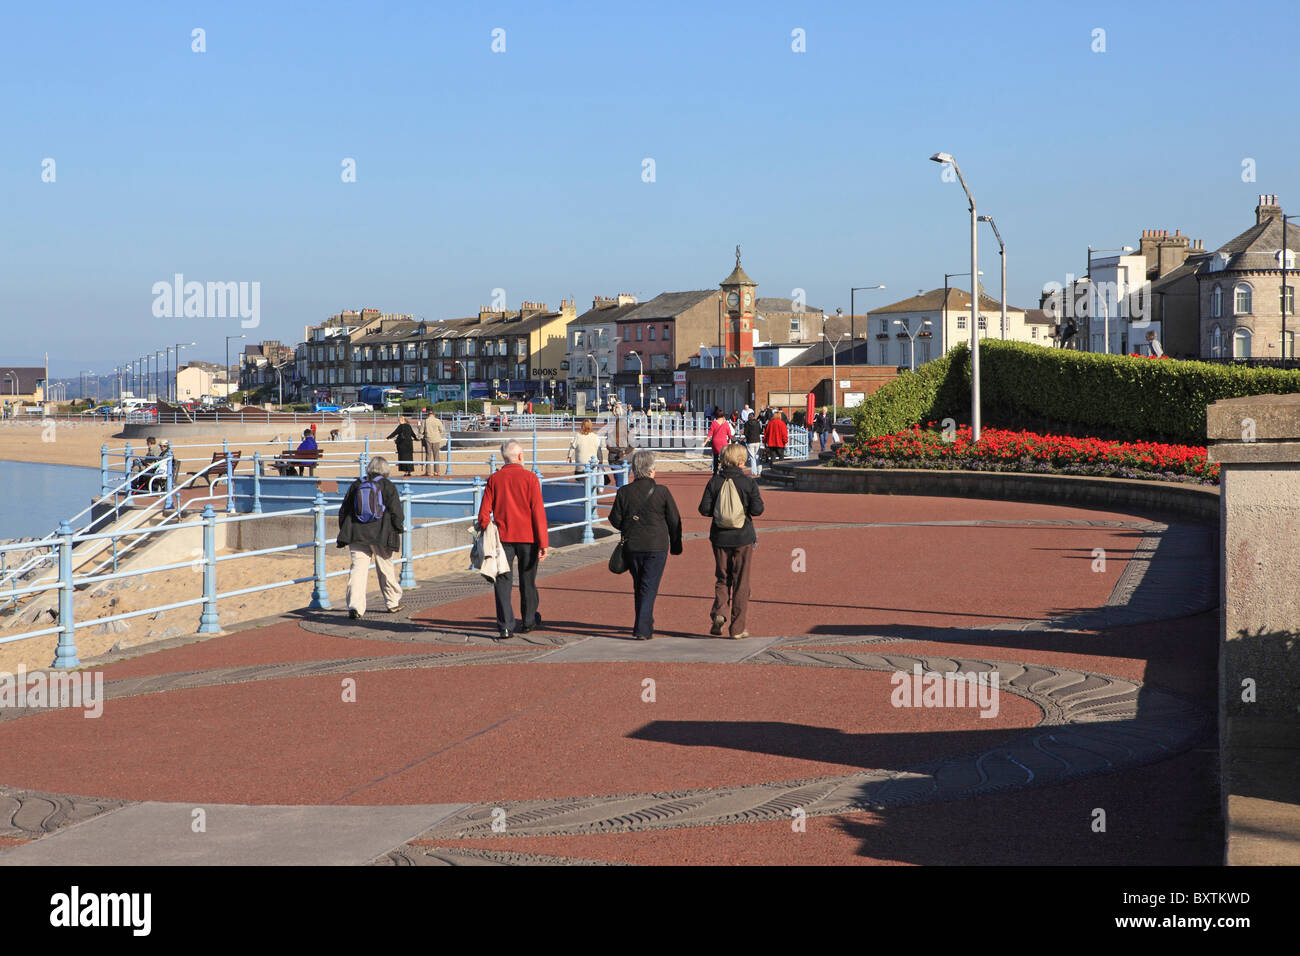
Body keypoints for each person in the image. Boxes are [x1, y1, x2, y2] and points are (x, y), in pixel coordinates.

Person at [477, 439, 549, 639]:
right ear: (519, 456)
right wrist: (543, 542)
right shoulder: (530, 478)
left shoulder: (494, 479)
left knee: (502, 581)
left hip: (502, 538)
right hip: (529, 537)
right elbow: (538, 512)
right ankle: (528, 620)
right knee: (528, 580)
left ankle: (506, 625)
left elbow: (483, 515)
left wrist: (487, 530)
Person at [608, 450, 682, 640]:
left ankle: (645, 623)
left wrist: (628, 526)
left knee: (640, 585)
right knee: (648, 586)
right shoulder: (662, 491)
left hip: (632, 545)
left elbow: (614, 519)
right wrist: (676, 543)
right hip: (656, 545)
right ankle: (642, 628)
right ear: (650, 470)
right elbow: (674, 520)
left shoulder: (624, 492)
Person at [698, 443, 765, 639]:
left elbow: (704, 509)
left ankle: (719, 613)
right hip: (743, 537)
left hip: (720, 537)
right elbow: (758, 510)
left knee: (722, 577)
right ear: (741, 461)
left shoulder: (714, 482)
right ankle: (737, 628)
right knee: (741, 581)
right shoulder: (748, 483)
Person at [337, 455, 405, 620]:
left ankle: (355, 606)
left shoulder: (357, 484)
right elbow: (396, 512)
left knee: (357, 570)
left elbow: (344, 510)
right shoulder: (387, 486)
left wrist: (345, 531)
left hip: (357, 534)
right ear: (385, 470)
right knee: (385, 569)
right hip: (381, 534)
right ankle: (392, 602)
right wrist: (398, 529)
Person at [705, 409, 733, 474]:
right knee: (724, 457)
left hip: (715, 442)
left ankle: (715, 471)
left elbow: (710, 434)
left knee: (715, 457)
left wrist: (705, 442)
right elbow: (729, 433)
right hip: (723, 442)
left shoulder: (714, 423)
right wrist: (730, 439)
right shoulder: (726, 423)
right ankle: (724, 470)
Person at [743, 412, 763, 476]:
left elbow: (745, 433)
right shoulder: (758, 423)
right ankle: (759, 471)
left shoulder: (747, 423)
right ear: (754, 417)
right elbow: (760, 431)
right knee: (757, 456)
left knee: (752, 457)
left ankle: (754, 472)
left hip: (750, 441)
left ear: (749, 417)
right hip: (757, 440)